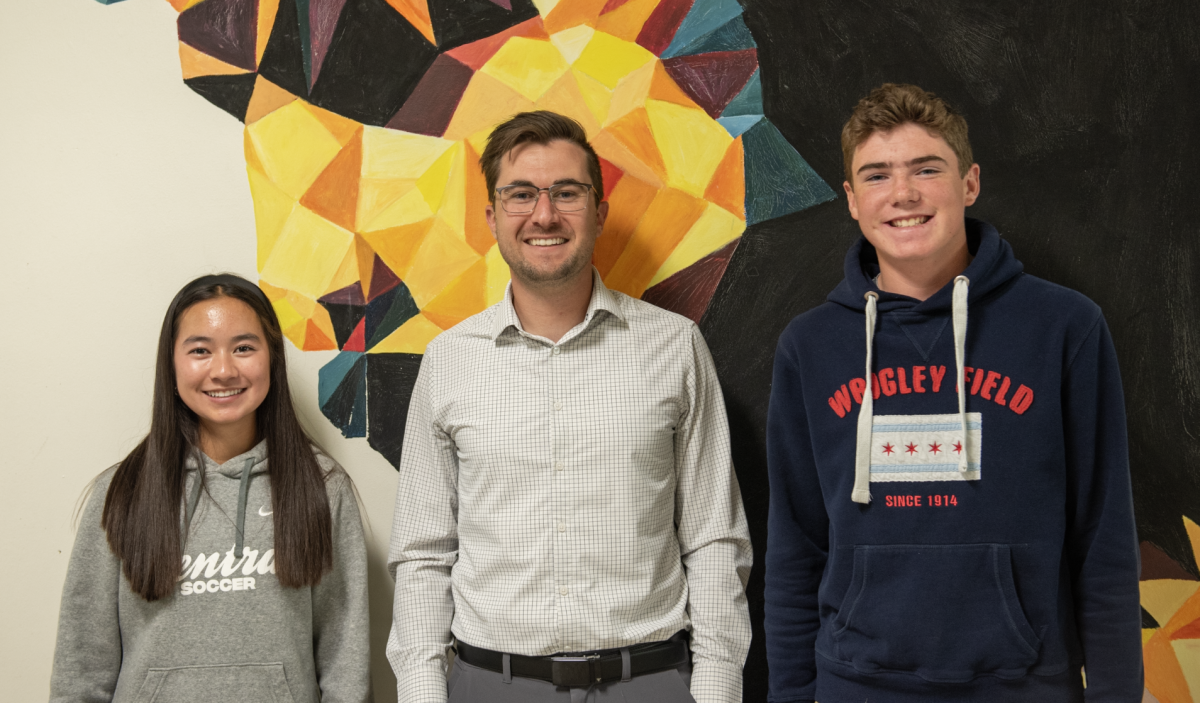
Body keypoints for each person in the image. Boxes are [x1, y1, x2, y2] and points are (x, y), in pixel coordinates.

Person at [764, 83, 1142, 702]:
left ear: (968, 184)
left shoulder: (1065, 328)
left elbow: (1103, 541)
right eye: (878, 175)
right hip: (855, 684)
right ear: (853, 202)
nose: (903, 193)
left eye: (926, 169)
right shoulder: (809, 347)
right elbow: (794, 550)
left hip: (1024, 684)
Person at [386, 111, 753, 703]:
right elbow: (425, 552)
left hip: (651, 683)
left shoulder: (675, 346)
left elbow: (714, 539)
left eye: (567, 193)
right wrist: (423, 691)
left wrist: (714, 689)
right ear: (492, 218)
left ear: (600, 211)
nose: (545, 214)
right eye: (521, 194)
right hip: (490, 685)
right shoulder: (448, 360)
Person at [50, 274, 371, 703]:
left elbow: (345, 663)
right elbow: (81, 669)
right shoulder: (121, 493)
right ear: (173, 363)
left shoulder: (322, 488)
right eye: (200, 350)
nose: (223, 370)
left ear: (272, 358)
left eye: (243, 348)